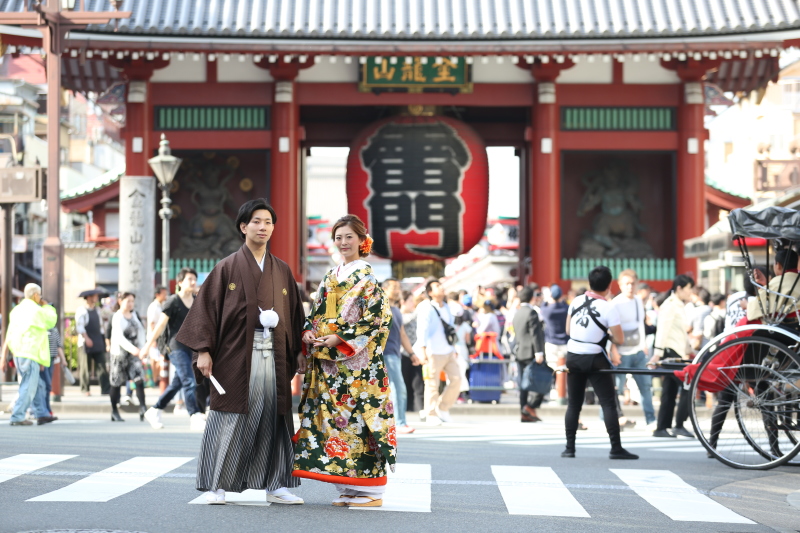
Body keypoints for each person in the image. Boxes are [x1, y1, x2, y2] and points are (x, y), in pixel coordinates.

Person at [179, 198, 306, 505]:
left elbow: (295, 317)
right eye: (257, 221)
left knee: (274, 418)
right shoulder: (226, 268)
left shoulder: (282, 271)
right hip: (237, 356)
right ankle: (217, 485)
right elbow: (205, 311)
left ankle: (276, 483)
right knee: (230, 416)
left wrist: (300, 351)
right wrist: (204, 351)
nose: (263, 227)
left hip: (274, 355)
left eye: (268, 222)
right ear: (243, 226)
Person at [294, 214, 395, 508]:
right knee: (335, 425)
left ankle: (372, 491)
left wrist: (339, 338)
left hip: (358, 367)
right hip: (329, 365)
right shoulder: (331, 276)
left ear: (362, 241)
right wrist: (309, 333)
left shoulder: (368, 278)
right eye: (338, 237)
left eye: (349, 237)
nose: (343, 242)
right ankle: (349, 487)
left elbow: (377, 321)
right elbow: (315, 313)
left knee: (361, 422)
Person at [562, 266, 638, 460]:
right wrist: (608, 336)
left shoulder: (577, 301)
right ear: (609, 285)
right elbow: (619, 339)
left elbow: (569, 330)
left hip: (573, 355)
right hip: (595, 357)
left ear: (589, 283)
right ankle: (616, 447)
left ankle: (569, 448)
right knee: (608, 403)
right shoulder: (609, 307)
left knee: (574, 404)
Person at [142, 267, 205, 431]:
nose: (193, 282)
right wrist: (147, 346)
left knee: (177, 383)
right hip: (174, 346)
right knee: (189, 380)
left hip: (190, 347)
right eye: (189, 279)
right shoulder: (173, 301)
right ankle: (195, 415)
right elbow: (160, 325)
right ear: (180, 282)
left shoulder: (197, 300)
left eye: (194, 279)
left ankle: (155, 409)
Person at [0, 284, 58, 426]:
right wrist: (47, 306)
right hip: (30, 352)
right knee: (29, 385)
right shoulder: (36, 310)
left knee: (36, 384)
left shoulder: (16, 310)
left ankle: (41, 413)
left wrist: (4, 356)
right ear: (35, 295)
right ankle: (18, 415)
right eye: (40, 295)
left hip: (19, 351)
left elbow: (9, 333)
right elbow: (51, 320)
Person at [648, 274, 696, 439]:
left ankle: (662, 427)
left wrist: (691, 350)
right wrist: (657, 353)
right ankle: (678, 425)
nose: (691, 292)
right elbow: (663, 330)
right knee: (687, 386)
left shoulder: (678, 305)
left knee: (669, 390)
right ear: (679, 288)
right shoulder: (670, 305)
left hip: (677, 352)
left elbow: (679, 332)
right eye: (689, 288)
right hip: (670, 352)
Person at [611, 269, 656, 427]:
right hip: (621, 353)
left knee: (645, 386)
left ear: (637, 284)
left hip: (638, 351)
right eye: (626, 283)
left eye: (632, 283)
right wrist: (613, 350)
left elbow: (640, 324)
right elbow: (610, 329)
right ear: (620, 285)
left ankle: (651, 419)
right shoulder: (615, 303)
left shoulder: (638, 300)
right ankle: (609, 418)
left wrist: (643, 344)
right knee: (615, 388)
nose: (630, 286)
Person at [414, 279, 461, 425]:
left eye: (441, 286)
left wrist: (454, 348)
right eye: (437, 287)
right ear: (430, 292)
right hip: (432, 351)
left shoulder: (446, 306)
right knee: (431, 384)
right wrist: (422, 350)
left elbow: (450, 328)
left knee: (457, 379)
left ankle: (443, 407)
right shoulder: (426, 307)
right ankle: (431, 413)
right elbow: (422, 329)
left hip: (447, 350)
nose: (441, 288)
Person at [382, 278, 420, 434]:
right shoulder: (380, 308)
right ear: (384, 289)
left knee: (395, 388)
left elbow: (402, 334)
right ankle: (399, 422)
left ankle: (395, 422)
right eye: (394, 288)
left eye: (398, 288)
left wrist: (411, 353)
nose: (397, 291)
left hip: (395, 354)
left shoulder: (396, 309)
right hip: (385, 354)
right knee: (398, 388)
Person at [108, 292, 147, 422]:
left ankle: (143, 408)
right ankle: (114, 410)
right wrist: (133, 349)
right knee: (116, 383)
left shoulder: (134, 315)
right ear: (120, 301)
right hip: (119, 354)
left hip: (134, 354)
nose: (130, 303)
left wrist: (142, 348)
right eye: (128, 301)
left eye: (132, 301)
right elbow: (119, 337)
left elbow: (141, 332)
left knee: (139, 380)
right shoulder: (117, 317)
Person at [512, 286, 546, 423]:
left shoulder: (517, 312)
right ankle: (530, 407)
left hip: (520, 351)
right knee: (541, 380)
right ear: (532, 297)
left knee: (523, 384)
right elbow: (535, 335)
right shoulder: (531, 312)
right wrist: (539, 352)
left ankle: (523, 412)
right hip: (531, 352)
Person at [75, 291, 109, 396]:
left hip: (98, 340)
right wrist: (86, 338)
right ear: (89, 297)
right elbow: (79, 326)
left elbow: (101, 326)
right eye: (95, 296)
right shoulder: (82, 310)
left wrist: (105, 341)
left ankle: (105, 389)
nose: (96, 298)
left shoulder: (98, 310)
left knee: (102, 365)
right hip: (86, 341)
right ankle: (85, 389)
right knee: (85, 367)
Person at [31, 324, 66, 425]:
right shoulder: (40, 328)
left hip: (51, 360)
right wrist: (41, 361)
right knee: (43, 385)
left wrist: (63, 359)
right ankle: (41, 411)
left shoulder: (54, 330)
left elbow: (58, 346)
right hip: (42, 360)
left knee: (47, 386)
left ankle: (46, 410)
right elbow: (39, 345)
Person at [540, 284, 569, 405]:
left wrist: (547, 300)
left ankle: (555, 392)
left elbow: (542, 306)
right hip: (565, 343)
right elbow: (566, 305)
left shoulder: (547, 310)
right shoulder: (566, 308)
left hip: (551, 343)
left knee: (553, 369)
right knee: (564, 371)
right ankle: (563, 393)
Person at [401, 291, 425, 413]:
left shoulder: (415, 315)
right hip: (402, 353)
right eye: (410, 301)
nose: (412, 303)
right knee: (403, 383)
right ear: (403, 302)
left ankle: (418, 408)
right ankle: (403, 408)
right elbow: (403, 321)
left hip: (416, 353)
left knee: (417, 383)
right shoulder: (399, 315)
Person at [147, 286, 169, 393]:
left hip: (161, 337)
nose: (166, 295)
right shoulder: (154, 307)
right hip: (155, 337)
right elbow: (152, 324)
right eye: (164, 293)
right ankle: (154, 379)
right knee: (155, 360)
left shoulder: (161, 305)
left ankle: (155, 379)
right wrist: (154, 339)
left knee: (158, 360)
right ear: (157, 294)